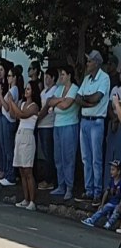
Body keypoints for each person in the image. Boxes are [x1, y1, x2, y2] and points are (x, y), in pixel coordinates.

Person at [75, 50, 111, 206]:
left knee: (96, 158)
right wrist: (89, 102)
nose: (87, 64)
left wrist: (87, 100)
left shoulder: (104, 78)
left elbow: (98, 98)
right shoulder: (87, 79)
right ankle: (88, 190)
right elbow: (78, 98)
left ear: (96, 62)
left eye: (89, 61)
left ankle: (97, 192)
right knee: (86, 158)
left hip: (97, 121)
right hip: (85, 120)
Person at [46, 65, 80, 201]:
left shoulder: (74, 89)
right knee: (58, 157)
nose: (61, 77)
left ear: (69, 76)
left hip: (69, 125)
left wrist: (57, 102)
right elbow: (50, 101)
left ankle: (69, 187)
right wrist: (60, 100)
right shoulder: (60, 89)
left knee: (68, 158)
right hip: (58, 125)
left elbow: (66, 106)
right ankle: (61, 185)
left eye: (63, 74)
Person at [12, 82, 40, 210]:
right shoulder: (22, 104)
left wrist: (12, 103)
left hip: (28, 135)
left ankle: (32, 201)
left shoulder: (34, 106)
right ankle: (26, 198)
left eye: (28, 89)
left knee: (28, 170)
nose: (26, 91)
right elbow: (15, 114)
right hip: (20, 134)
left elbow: (23, 114)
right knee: (21, 170)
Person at [81, 160, 121, 229]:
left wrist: (120, 205)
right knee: (103, 209)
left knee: (116, 212)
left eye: (113, 170)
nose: (111, 171)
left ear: (119, 171)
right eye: (111, 169)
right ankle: (92, 220)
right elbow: (106, 192)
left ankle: (109, 223)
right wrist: (102, 204)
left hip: (118, 203)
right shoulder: (111, 180)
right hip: (111, 202)